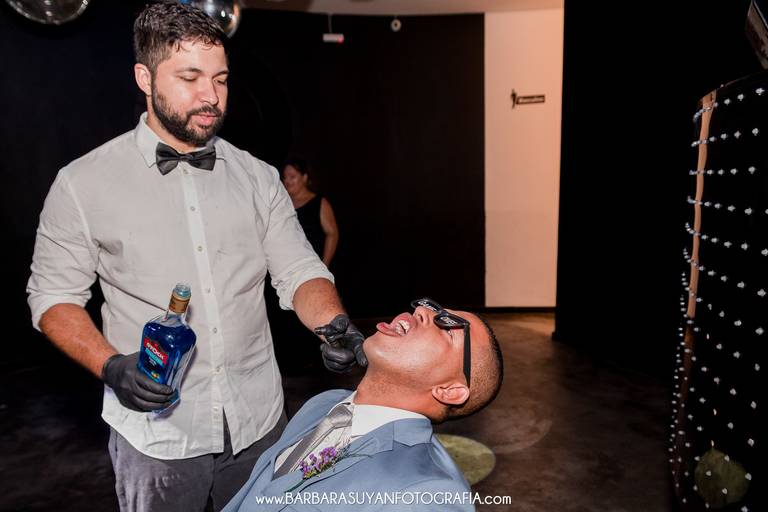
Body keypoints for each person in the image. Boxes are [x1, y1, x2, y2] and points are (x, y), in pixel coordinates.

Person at [26, 4, 366, 511]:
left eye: (221, 79)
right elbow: (52, 298)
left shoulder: (257, 177)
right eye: (190, 78)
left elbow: (299, 270)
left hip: (258, 424)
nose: (211, 96)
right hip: (158, 438)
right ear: (145, 78)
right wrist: (110, 366)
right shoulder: (82, 183)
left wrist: (332, 325)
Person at [223, 298, 504, 512]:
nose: (422, 311)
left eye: (449, 327)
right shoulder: (322, 405)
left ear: (450, 391)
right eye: (432, 308)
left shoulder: (428, 492)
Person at [281, 158, 339, 267]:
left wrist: (324, 265)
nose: (287, 181)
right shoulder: (282, 202)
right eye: (285, 177)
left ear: (305, 177)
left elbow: (332, 234)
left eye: (292, 177)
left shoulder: (319, 203)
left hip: (311, 267)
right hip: (285, 266)